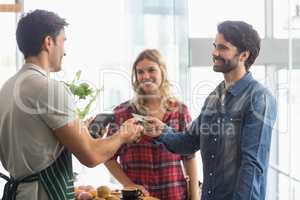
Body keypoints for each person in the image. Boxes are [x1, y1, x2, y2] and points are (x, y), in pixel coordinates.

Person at [0, 10, 143, 200]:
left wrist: (80, 131)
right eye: (63, 41)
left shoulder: (8, 87)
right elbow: (91, 156)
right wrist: (124, 134)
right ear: (48, 42)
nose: (65, 51)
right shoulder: (49, 89)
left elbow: (36, 144)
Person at [144, 21, 277, 200]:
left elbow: (252, 165)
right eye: (215, 46)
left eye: (223, 48)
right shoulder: (214, 97)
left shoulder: (259, 98)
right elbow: (189, 142)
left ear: (244, 55)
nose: (215, 53)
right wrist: (162, 131)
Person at [105, 49, 200, 200]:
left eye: (151, 70)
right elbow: (108, 157)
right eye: (140, 72)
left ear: (162, 72)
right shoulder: (121, 113)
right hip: (139, 197)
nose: (146, 76)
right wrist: (129, 185)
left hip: (175, 195)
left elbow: (189, 157)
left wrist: (194, 197)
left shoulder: (180, 111)